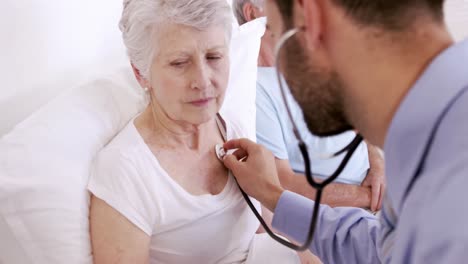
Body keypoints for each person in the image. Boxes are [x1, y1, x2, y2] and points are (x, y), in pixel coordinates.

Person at [222, 0, 468, 263]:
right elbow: (383, 249)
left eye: (276, 33)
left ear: (310, 17)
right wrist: (274, 195)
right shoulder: (429, 135)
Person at [87, 0, 314, 263]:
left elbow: (274, 232)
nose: (204, 81)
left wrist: (272, 191)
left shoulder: (233, 130)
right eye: (180, 63)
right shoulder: (125, 172)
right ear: (140, 74)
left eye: (214, 57)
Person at [233, 0, 385, 211]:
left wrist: (378, 165)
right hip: (344, 213)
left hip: (379, 193)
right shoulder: (254, 87)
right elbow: (281, 183)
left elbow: (359, 131)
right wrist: (370, 198)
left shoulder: (318, 62)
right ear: (253, 13)